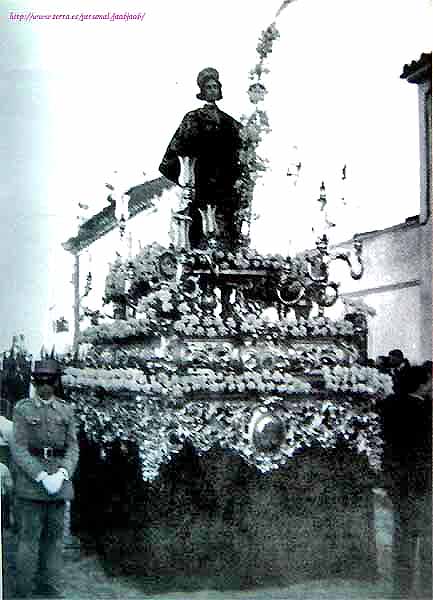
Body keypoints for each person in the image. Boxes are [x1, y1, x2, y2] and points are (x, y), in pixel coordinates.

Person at [10, 358, 79, 598]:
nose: (44, 386)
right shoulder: (22, 409)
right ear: (34, 382)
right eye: (39, 381)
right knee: (29, 539)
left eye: (49, 381)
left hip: (59, 484)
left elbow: (73, 448)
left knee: (53, 538)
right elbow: (18, 448)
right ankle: (24, 589)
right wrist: (40, 475)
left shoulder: (66, 410)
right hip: (31, 484)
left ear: (56, 382)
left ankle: (49, 585)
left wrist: (62, 474)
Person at [159, 67, 243, 249]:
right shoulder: (192, 119)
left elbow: (242, 155)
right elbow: (173, 156)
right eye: (208, 87)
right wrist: (187, 180)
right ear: (202, 92)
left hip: (225, 188)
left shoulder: (231, 123)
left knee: (227, 230)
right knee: (199, 229)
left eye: (215, 87)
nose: (212, 90)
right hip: (202, 185)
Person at [380, 365, 432, 599]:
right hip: (422, 480)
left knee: (403, 535)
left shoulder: (390, 404)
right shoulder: (423, 410)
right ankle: (428, 586)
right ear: (420, 384)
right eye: (429, 381)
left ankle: (401, 590)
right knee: (427, 536)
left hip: (399, 480)